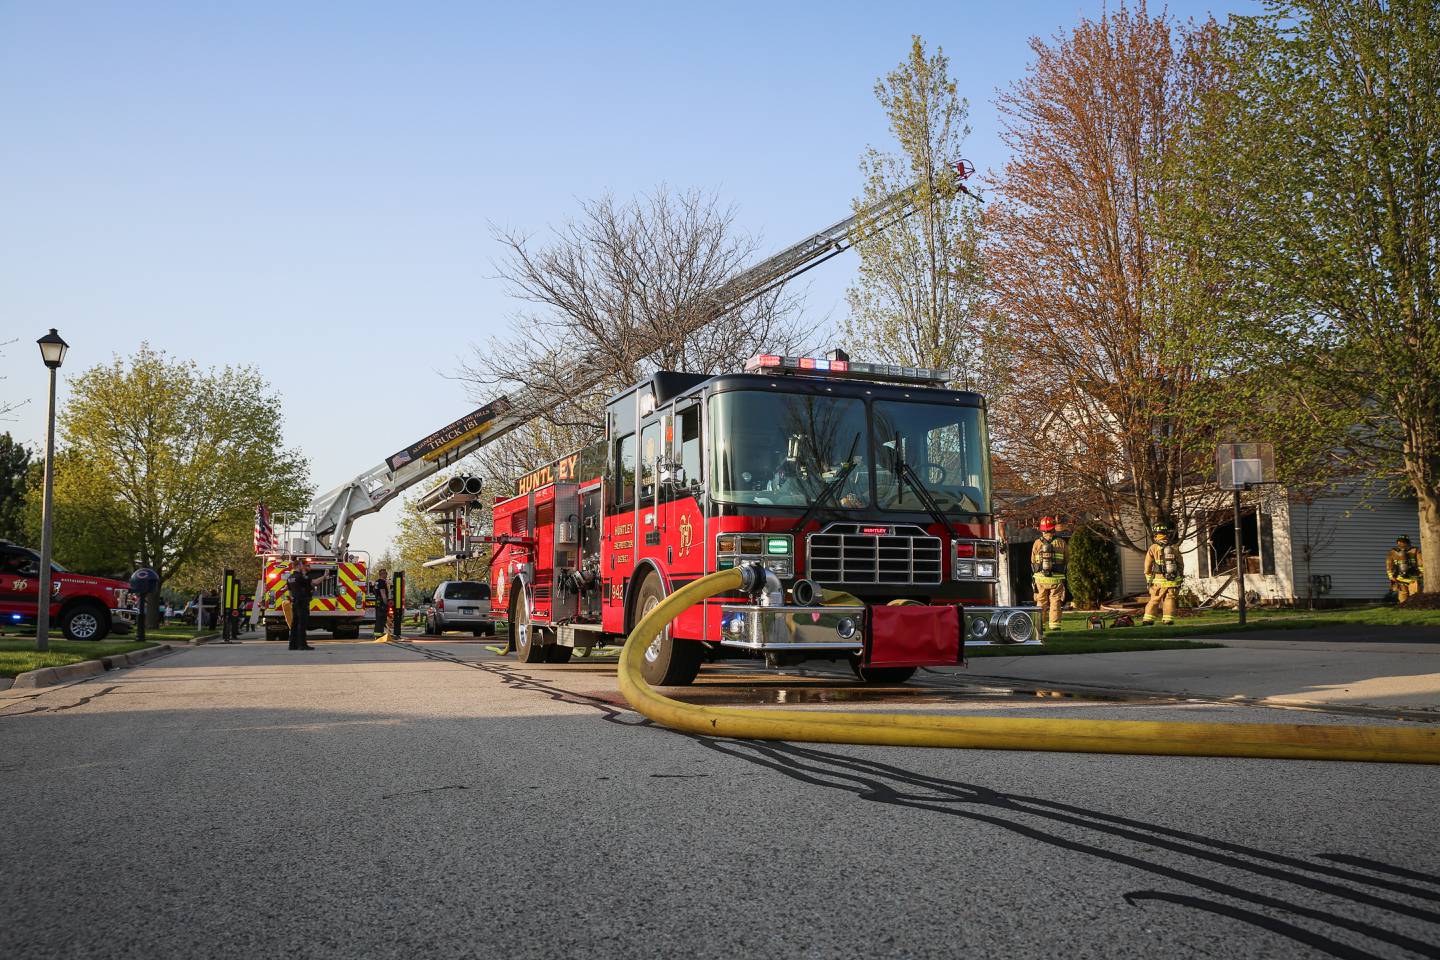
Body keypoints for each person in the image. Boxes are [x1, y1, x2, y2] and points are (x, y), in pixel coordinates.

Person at [1030, 516, 1068, 631]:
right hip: (1056, 579)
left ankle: (1039, 626)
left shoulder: (1037, 543)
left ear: (1042, 530)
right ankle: (1054, 626)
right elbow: (1067, 560)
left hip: (1040, 579)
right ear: (1053, 529)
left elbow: (1032, 561)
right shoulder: (1061, 542)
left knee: (1041, 602)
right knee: (1055, 601)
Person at [1142, 520, 1184, 626]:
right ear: (1167, 534)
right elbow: (1180, 564)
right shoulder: (1174, 548)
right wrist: (1180, 576)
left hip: (1158, 581)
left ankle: (1148, 620)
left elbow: (1147, 567)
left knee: (1155, 599)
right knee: (1170, 599)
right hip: (1172, 579)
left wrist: (1148, 579)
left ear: (1156, 535)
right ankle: (1168, 620)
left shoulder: (1153, 548)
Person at [285, 561, 316, 650]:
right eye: (302, 565)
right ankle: (302, 645)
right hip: (302, 602)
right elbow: (312, 583)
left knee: (294, 624)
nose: (303, 566)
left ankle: (292, 645)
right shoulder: (300, 577)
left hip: (295, 602)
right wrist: (324, 576)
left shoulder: (290, 578)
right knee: (302, 624)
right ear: (298, 566)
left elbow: (290, 591)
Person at [1387, 535, 1424, 604]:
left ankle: (1411, 610)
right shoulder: (1393, 552)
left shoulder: (1415, 550)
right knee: (1404, 599)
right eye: (1399, 542)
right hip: (1402, 579)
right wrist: (1391, 576)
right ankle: (1405, 611)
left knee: (1413, 598)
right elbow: (1389, 565)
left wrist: (1421, 573)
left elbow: (1420, 563)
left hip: (1412, 579)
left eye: (1402, 542)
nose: (1400, 543)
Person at [372, 568, 391, 638]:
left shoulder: (376, 582)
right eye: (385, 573)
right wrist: (386, 602)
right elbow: (383, 593)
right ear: (382, 574)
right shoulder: (382, 582)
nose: (386, 575)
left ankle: (378, 634)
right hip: (382, 602)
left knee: (379, 618)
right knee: (382, 618)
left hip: (378, 602)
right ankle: (379, 634)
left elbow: (375, 591)